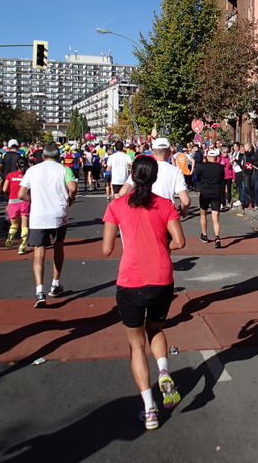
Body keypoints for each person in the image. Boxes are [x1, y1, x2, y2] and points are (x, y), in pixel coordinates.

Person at [102, 156, 186, 430]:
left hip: (130, 280)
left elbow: (107, 249)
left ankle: (150, 408)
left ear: (132, 176)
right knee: (156, 329)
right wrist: (161, 247)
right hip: (162, 279)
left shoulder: (116, 206)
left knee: (136, 345)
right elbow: (180, 241)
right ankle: (163, 370)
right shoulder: (165, 205)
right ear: (154, 177)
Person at [18, 143, 78, 308]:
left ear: (43, 156)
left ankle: (39, 291)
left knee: (39, 252)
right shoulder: (64, 170)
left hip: (38, 215)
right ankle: (55, 283)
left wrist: (34, 200)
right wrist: (70, 199)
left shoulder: (33, 170)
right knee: (58, 247)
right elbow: (72, 187)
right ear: (59, 157)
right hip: (58, 214)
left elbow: (21, 194)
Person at [118, 138, 190, 218]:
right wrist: (183, 209)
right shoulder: (176, 171)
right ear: (169, 153)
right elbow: (185, 201)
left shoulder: (143, 168)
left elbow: (122, 193)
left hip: (145, 213)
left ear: (152, 152)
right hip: (167, 214)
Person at [193, 148, 225, 248]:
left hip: (205, 192)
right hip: (216, 192)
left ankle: (205, 235)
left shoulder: (202, 166)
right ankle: (217, 237)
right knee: (216, 217)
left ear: (207, 157)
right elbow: (222, 179)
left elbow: (195, 176)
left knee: (203, 214)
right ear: (216, 157)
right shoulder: (220, 167)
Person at [3, 157, 31, 255]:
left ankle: (10, 238)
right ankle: (22, 246)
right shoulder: (28, 175)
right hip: (24, 201)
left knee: (14, 224)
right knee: (24, 225)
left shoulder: (10, 175)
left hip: (12, 202)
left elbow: (5, 188)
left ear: (16, 165)